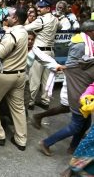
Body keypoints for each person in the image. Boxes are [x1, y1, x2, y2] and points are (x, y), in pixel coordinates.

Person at [38, 20, 94, 157]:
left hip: (85, 88)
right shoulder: (81, 45)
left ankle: (73, 146)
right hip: (80, 90)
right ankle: (46, 142)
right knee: (76, 125)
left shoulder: (87, 43)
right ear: (90, 32)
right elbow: (72, 67)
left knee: (85, 123)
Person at [0, 7, 28, 151]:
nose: (7, 18)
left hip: (5, 74)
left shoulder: (12, 34)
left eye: (9, 16)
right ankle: (21, 140)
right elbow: (3, 45)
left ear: (15, 19)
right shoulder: (23, 32)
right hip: (20, 75)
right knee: (18, 107)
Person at [25, 0, 59, 110]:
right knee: (46, 79)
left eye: (41, 7)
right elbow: (60, 27)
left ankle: (30, 102)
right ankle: (45, 101)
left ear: (48, 8)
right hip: (50, 51)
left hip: (39, 52)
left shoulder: (41, 20)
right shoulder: (55, 19)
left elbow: (26, 28)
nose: (38, 8)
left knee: (34, 79)